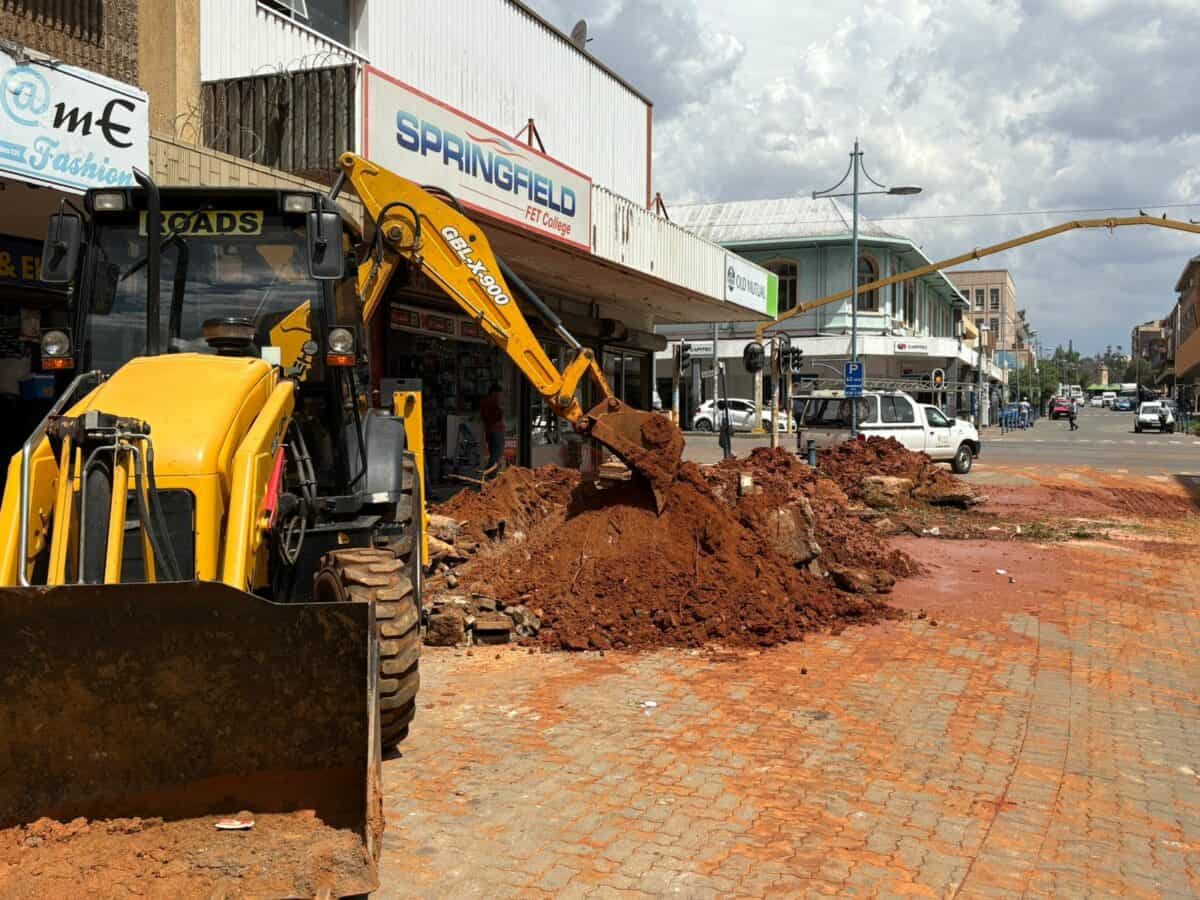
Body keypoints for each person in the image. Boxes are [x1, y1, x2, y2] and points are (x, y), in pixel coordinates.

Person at [480, 383, 506, 470]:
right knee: (496, 457)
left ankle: (489, 475)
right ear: (494, 393)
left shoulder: (487, 403)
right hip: (495, 432)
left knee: (495, 456)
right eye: (499, 395)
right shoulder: (491, 403)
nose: (500, 397)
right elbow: (492, 419)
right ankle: (489, 475)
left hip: (492, 432)